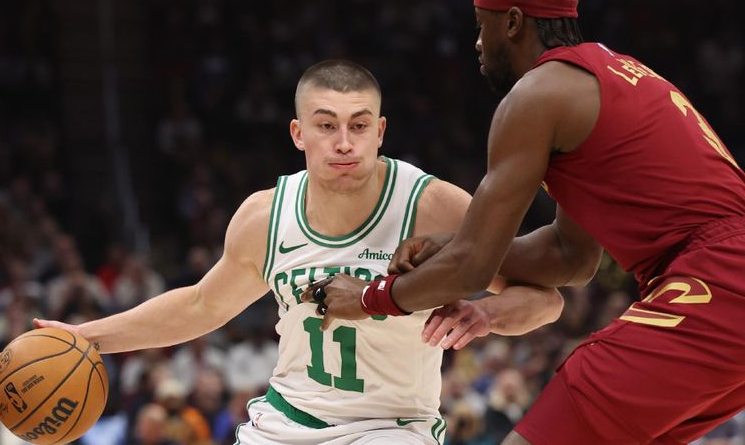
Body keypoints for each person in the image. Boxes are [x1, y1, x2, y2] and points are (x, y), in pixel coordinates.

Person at [313, 0, 745, 444]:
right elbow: (570, 258)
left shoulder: (536, 95)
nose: (477, 43)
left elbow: (473, 268)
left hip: (717, 281)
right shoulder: (609, 74)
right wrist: (450, 243)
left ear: (513, 23)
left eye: (482, 26)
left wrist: (368, 298)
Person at [32, 60, 563, 445]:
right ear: (298, 133)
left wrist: (485, 312)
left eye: (359, 125)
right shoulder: (266, 216)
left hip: (390, 428)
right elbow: (200, 307)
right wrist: (87, 337)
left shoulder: (435, 206)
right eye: (327, 125)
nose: (344, 142)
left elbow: (545, 298)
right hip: (285, 421)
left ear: (380, 132)